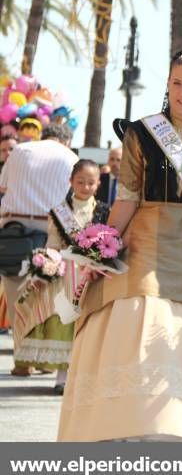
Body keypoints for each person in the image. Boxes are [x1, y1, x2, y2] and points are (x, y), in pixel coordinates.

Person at [58, 49, 182, 442]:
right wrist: (101, 247)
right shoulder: (142, 133)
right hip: (146, 236)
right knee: (139, 309)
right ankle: (129, 422)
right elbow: (128, 198)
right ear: (167, 85)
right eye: (177, 83)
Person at [13, 160, 108, 394]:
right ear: (71, 182)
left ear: (98, 184)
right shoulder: (58, 212)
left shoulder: (104, 210)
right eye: (80, 182)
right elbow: (53, 244)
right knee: (65, 323)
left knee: (89, 325)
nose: (85, 187)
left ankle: (85, 378)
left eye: (90, 182)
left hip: (93, 275)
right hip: (67, 275)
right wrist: (47, 264)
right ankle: (62, 378)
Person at [0, 124, 77, 376]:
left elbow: (4, 186)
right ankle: (45, 359)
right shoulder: (71, 157)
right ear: (67, 140)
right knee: (50, 297)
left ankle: (23, 361)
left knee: (17, 296)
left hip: (15, 226)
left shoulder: (20, 151)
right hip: (54, 229)